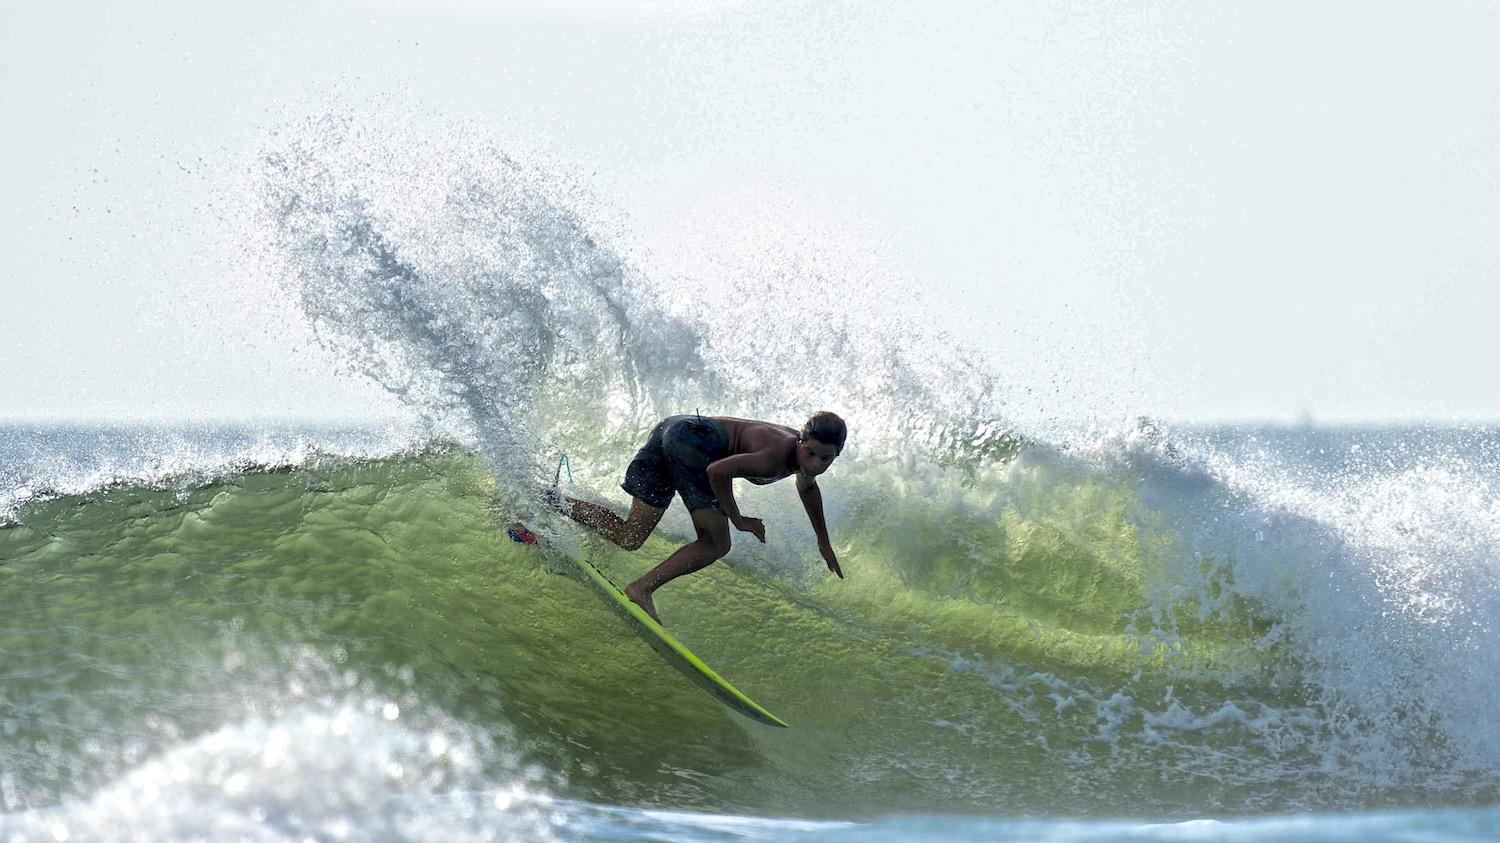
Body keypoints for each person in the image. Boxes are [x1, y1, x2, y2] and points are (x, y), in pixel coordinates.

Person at [553, 411, 847, 625]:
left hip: (672, 429)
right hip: (693, 442)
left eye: (825, 459)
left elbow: (808, 488)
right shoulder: (773, 459)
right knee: (716, 543)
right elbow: (717, 471)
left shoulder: (800, 458)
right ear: (800, 440)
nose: (815, 464)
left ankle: (552, 501)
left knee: (630, 535)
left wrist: (824, 543)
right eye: (810, 453)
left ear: (836, 455)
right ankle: (642, 588)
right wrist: (738, 518)